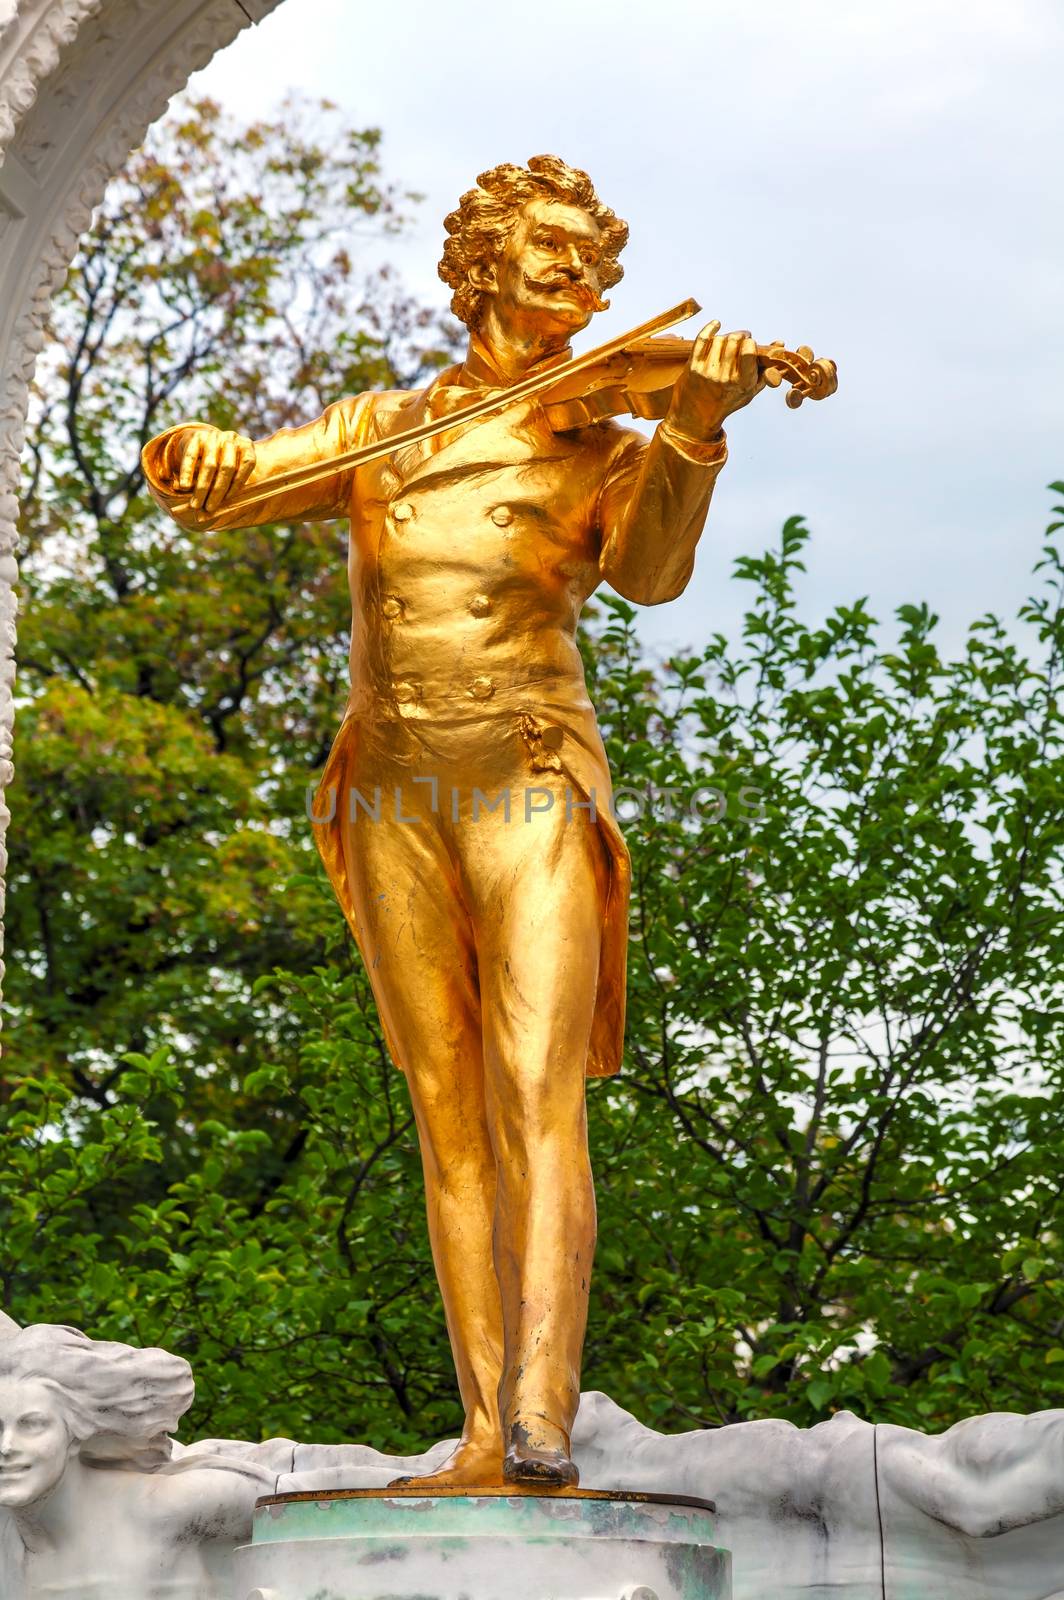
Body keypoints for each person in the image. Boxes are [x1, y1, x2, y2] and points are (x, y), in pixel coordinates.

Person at [142, 154, 763, 1490]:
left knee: (537, 1093)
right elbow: (229, 487)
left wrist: (697, 431)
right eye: (551, 253)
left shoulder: (601, 444)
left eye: (594, 266)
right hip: (390, 787)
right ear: (479, 263)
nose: (580, 281)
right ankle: (483, 1431)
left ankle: (545, 1413)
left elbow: (652, 576)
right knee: (444, 1106)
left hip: (526, 774)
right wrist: (190, 454)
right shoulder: (385, 430)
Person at [0, 1323, 285, 1600]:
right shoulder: (8, 1535)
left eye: (32, 1425)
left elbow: (309, 1496)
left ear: (75, 1434)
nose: (7, 1446)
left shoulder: (170, 1505)